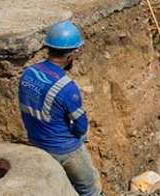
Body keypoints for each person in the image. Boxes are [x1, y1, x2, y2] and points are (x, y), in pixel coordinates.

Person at [18, 21, 102, 196]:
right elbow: (81, 127)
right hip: (64, 149)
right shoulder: (67, 88)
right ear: (71, 54)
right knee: (90, 189)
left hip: (37, 143)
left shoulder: (28, 74)